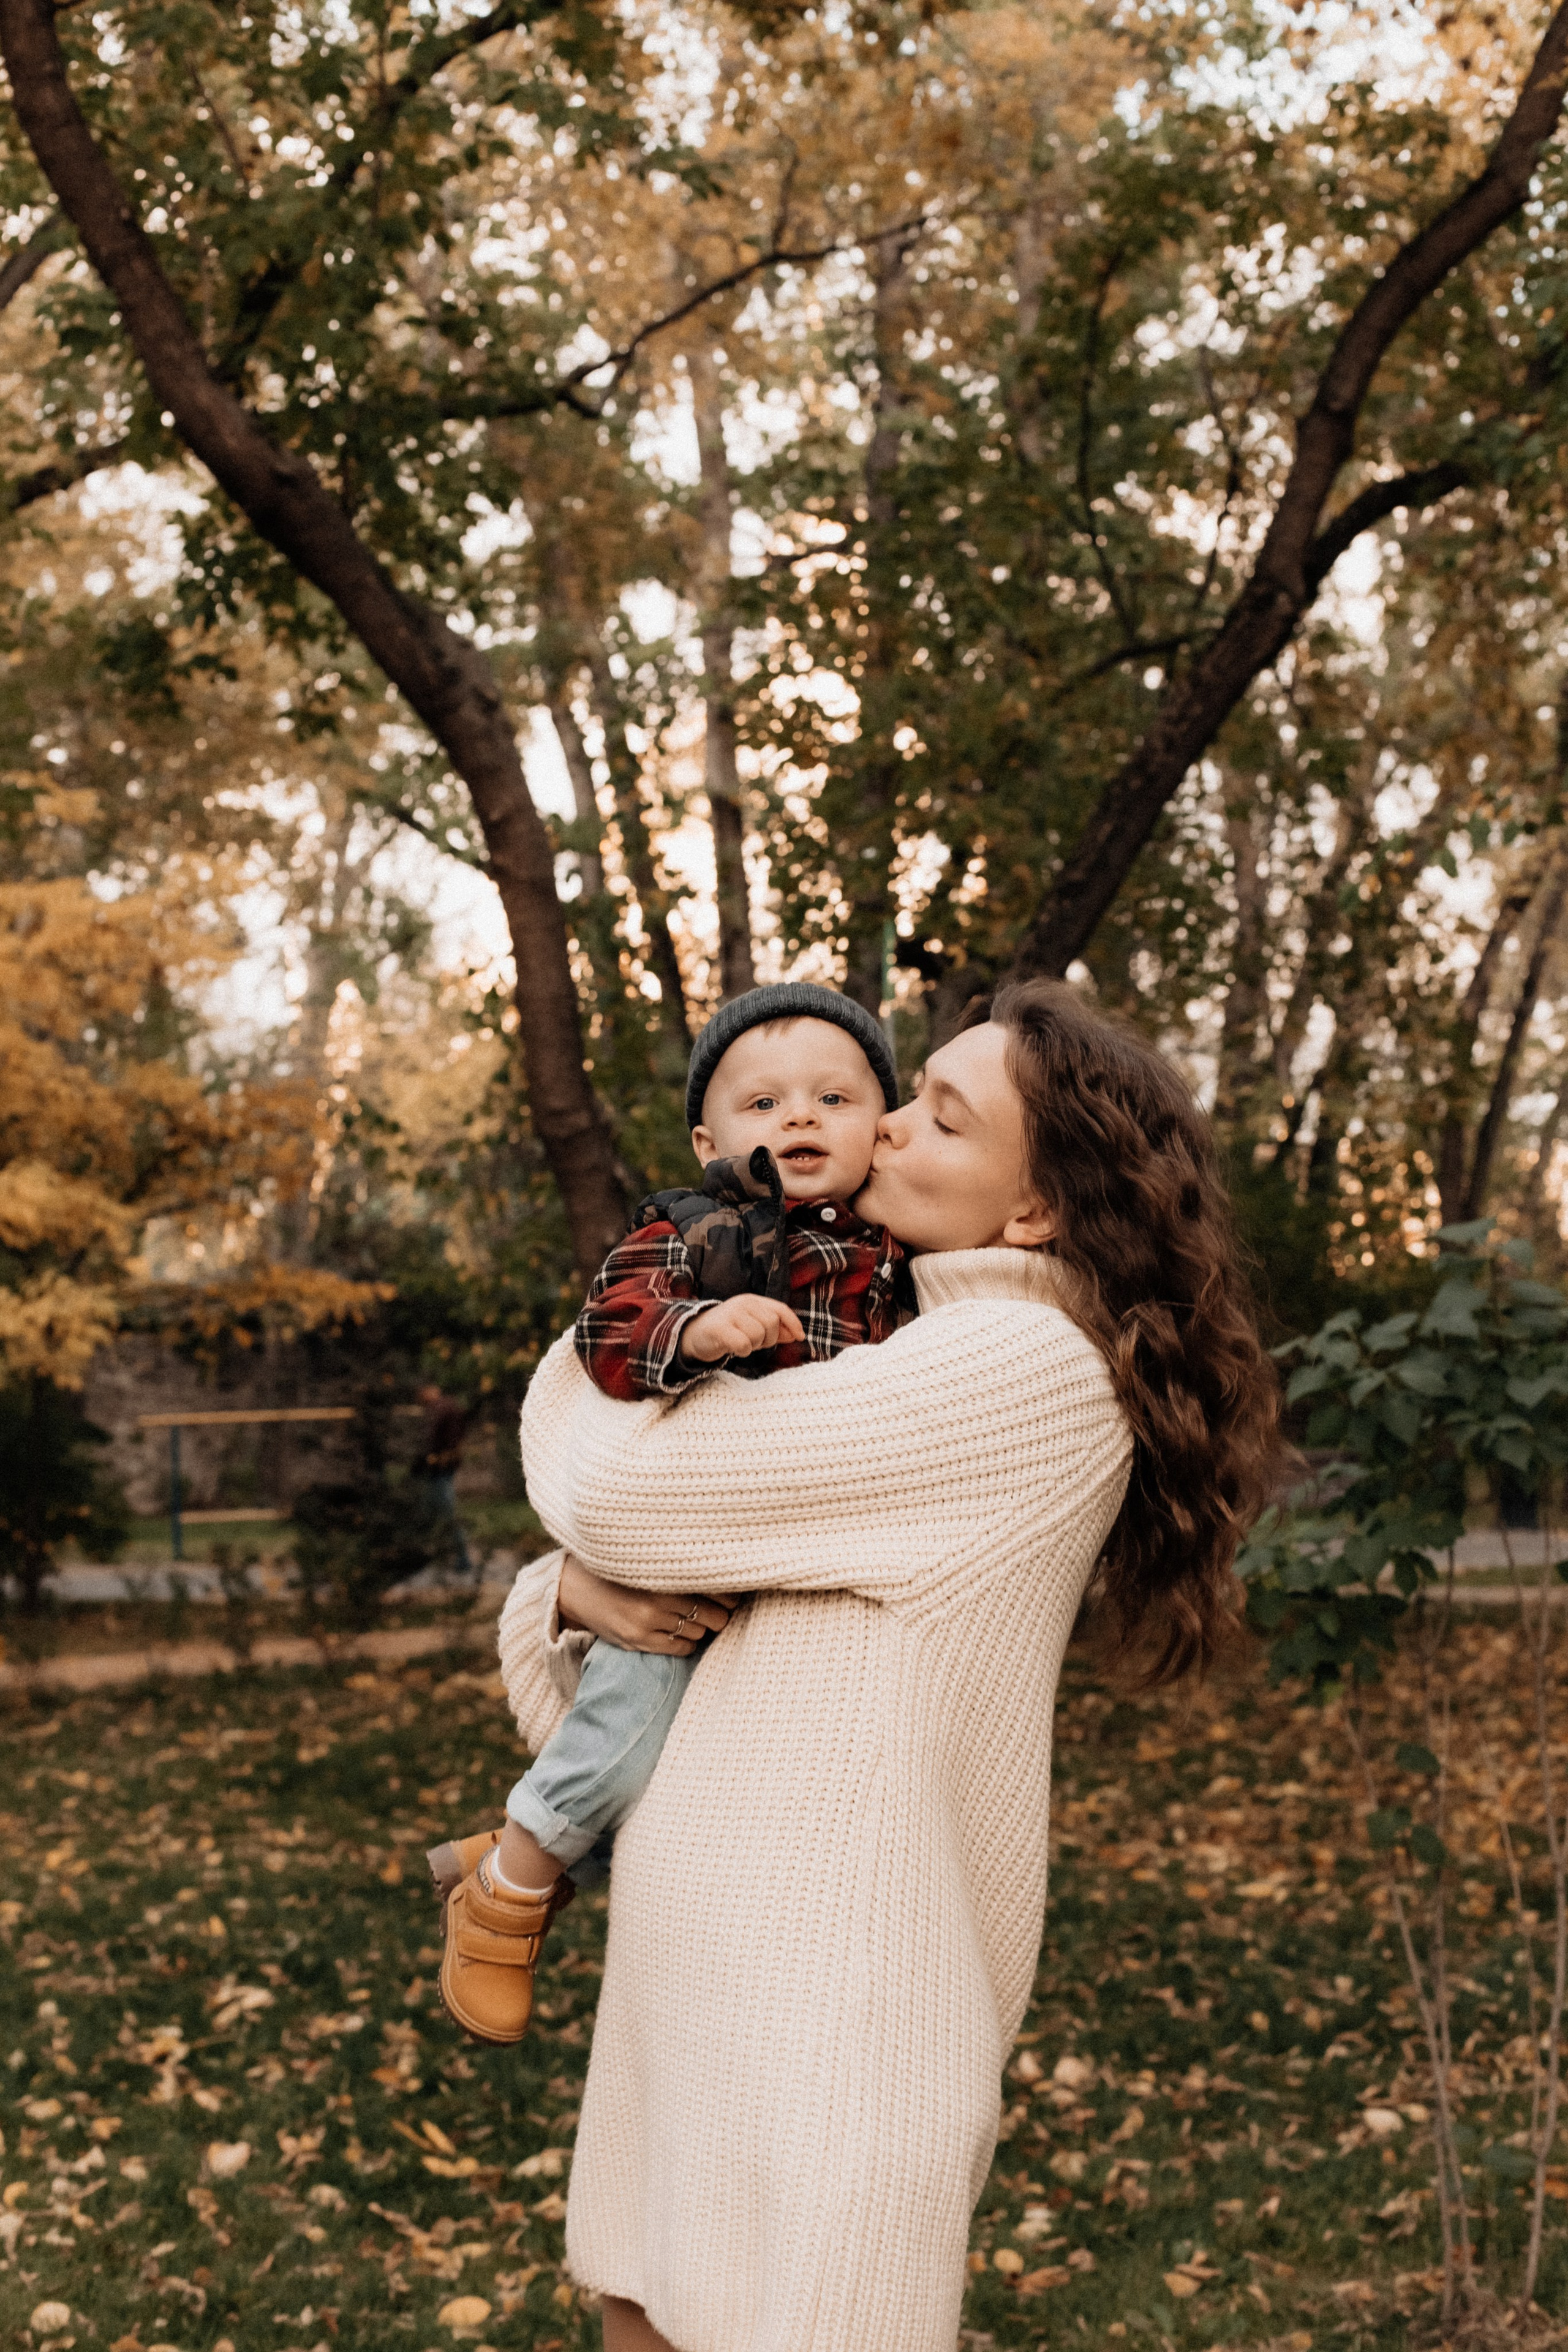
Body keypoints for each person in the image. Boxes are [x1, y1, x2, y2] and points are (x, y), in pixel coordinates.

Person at [491, 978, 1280, 2352]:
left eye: (940, 1118)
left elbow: (627, 1493)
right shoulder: (899, 1339)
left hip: (839, 2023)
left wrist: (575, 1374)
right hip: (708, 1984)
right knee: (640, 2308)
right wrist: (562, 1593)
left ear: (1033, 1210)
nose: (886, 1129)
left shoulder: (1015, 1372)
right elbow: (701, 1633)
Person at [429, 983, 909, 2042]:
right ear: (708, 1140)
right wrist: (695, 1333)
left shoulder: (904, 1252)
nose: (799, 1119)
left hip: (811, 1547)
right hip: (698, 1537)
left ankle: (529, 1856)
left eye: (835, 1096)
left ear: (887, 1117)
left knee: (693, 1774)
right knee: (642, 1700)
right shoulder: (695, 1228)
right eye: (763, 1103)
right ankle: (515, 1883)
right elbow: (612, 1329)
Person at [412, 1384, 473, 1579]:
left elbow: (434, 1440)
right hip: (442, 1467)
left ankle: (461, 1558)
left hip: (438, 1468)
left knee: (446, 1513)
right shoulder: (448, 1407)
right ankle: (438, 1555)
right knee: (432, 1511)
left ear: (429, 1390)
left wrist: (427, 1460)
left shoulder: (441, 1409)